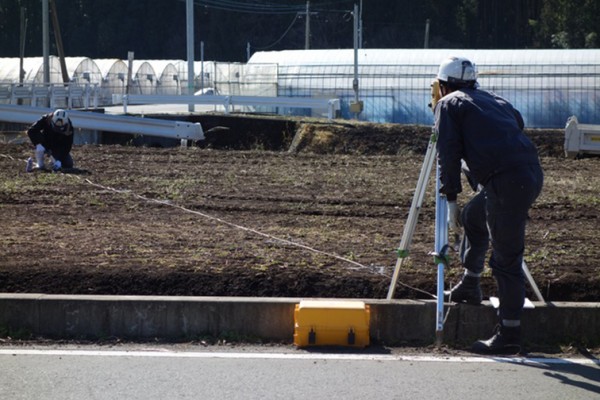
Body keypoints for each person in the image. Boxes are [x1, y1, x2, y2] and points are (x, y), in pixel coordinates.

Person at [432, 56, 544, 354]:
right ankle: (470, 284)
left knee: (506, 259)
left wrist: (451, 198)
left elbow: (448, 152)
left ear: (442, 86)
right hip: (529, 174)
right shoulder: (495, 99)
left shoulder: (448, 104)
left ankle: (509, 334)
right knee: (474, 216)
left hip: (507, 182)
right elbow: (517, 123)